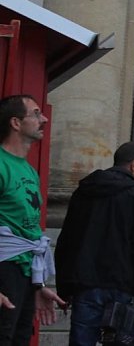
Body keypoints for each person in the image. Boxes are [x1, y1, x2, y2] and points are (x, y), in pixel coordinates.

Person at [55, 142, 134, 346]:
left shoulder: (85, 191)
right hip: (121, 285)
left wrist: (64, 289)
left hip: (85, 284)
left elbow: (67, 240)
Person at [0, 94, 66, 345]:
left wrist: (36, 286)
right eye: (36, 114)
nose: (45, 119)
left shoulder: (28, 169)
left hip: (25, 271)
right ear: (15, 123)